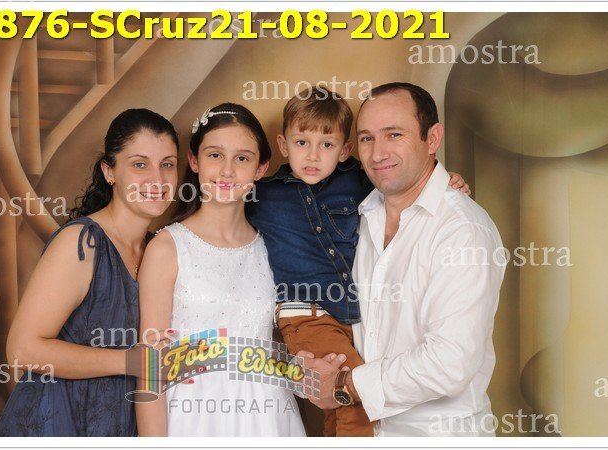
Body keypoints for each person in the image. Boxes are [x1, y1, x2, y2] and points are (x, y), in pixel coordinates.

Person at [247, 88, 470, 437]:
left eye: (327, 145)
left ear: (345, 150)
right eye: (301, 143)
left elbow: (410, 179)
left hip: (352, 316)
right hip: (306, 315)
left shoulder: (359, 180)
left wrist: (449, 180)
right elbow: (221, 209)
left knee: (336, 404)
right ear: (283, 145)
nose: (312, 155)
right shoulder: (263, 195)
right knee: (356, 398)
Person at [301, 82, 506, 437]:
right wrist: (313, 362)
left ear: (433, 138)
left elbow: (449, 362)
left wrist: (346, 385)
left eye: (394, 134)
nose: (378, 153)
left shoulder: (462, 230)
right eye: (367, 138)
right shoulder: (357, 215)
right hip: (367, 433)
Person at [0, 109, 179, 437]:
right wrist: (129, 362)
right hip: (55, 423)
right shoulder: (82, 242)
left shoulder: (160, 249)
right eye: (140, 165)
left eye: (167, 164)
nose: (157, 179)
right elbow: (22, 349)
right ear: (109, 172)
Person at [136, 103, 307, 437]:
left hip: (268, 415)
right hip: (193, 417)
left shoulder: (272, 248)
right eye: (215, 155)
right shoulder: (167, 248)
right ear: (194, 161)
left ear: (261, 168)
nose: (227, 171)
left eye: (242, 158)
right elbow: (150, 366)